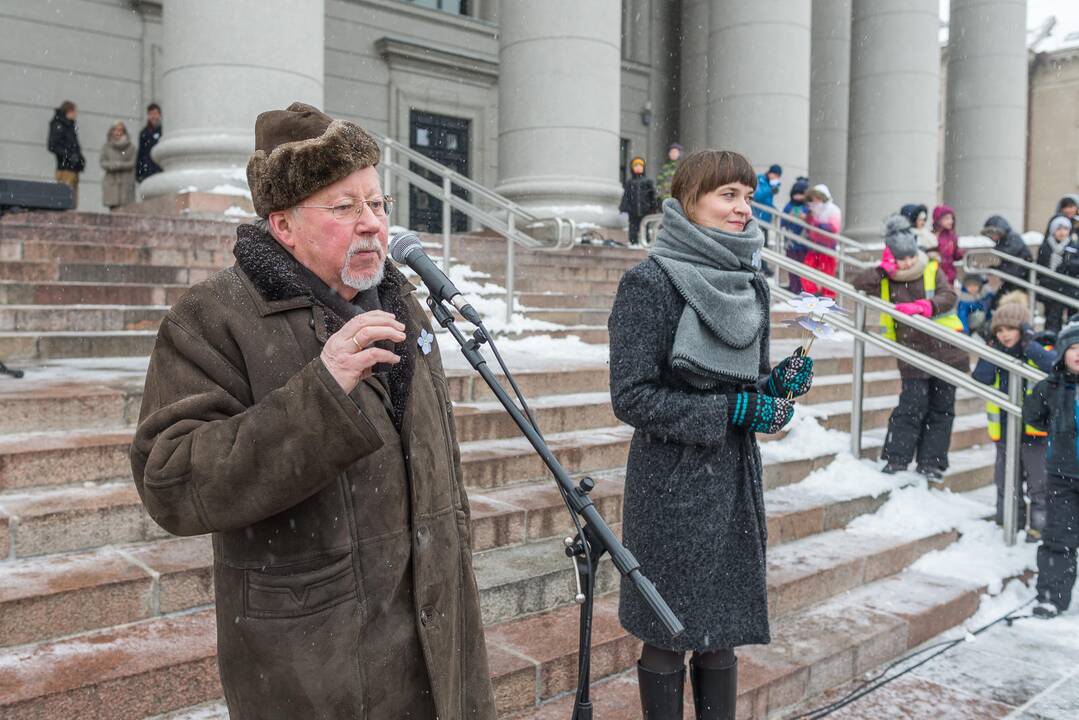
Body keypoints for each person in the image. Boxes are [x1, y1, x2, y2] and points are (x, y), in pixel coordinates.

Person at [129, 102, 495, 719]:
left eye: (377, 204)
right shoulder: (212, 319)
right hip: (313, 667)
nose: (372, 224)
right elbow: (172, 481)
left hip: (436, 652)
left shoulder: (404, 305)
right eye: (343, 207)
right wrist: (322, 390)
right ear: (283, 225)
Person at [609, 150, 808, 718]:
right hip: (670, 485)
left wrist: (776, 388)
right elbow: (633, 396)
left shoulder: (751, 284)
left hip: (733, 483)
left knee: (722, 632)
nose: (743, 207)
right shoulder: (650, 283)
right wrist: (732, 411)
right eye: (728, 195)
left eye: (747, 195)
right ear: (690, 200)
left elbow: (747, 387)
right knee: (668, 635)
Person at [853, 215, 968, 481]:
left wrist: (926, 306)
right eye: (900, 259)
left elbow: (949, 295)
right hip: (913, 353)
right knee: (911, 406)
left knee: (942, 408)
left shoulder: (931, 268)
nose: (906, 263)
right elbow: (859, 283)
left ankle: (932, 463)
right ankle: (896, 459)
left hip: (946, 350)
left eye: (909, 258)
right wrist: (883, 270)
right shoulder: (886, 277)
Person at [972, 292, 1055, 541]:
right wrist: (993, 349)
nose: (1004, 335)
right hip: (1006, 431)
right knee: (1006, 481)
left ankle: (1040, 528)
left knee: (1039, 484)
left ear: (1024, 328)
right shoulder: (998, 350)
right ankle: (1008, 521)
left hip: (1035, 434)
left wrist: (1030, 345)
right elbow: (982, 378)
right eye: (999, 330)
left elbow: (1053, 367)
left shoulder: (1040, 348)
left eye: (1010, 329)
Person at [1023, 321, 1079, 619]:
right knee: (1059, 536)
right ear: (1062, 353)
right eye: (1072, 347)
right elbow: (1033, 417)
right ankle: (1051, 596)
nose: (1078, 353)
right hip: (1063, 475)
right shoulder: (1052, 386)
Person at [1036, 216, 1079, 332]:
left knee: (1072, 319)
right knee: (1052, 319)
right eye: (1059, 229)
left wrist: (1068, 264)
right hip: (1050, 289)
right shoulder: (1046, 246)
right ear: (1053, 230)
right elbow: (1040, 265)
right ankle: (1050, 344)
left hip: (1069, 289)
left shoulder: (1073, 246)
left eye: (1065, 229)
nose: (1062, 232)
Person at [798, 184, 842, 298]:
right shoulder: (812, 210)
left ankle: (829, 297)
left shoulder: (834, 210)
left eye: (817, 198)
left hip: (828, 248)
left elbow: (834, 227)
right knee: (806, 270)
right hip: (814, 246)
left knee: (827, 274)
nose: (814, 201)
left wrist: (816, 224)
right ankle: (812, 293)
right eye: (813, 199)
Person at [980, 215, 1032, 309]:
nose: (992, 237)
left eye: (993, 233)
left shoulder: (1013, 239)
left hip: (1019, 279)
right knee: (997, 303)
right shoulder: (1003, 241)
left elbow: (1010, 258)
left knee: (1005, 304)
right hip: (1013, 279)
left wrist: (997, 268)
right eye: (990, 234)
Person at [46, 100, 84, 206]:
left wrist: (79, 159)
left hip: (72, 168)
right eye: (74, 111)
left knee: (73, 200)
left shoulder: (69, 125)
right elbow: (52, 146)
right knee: (65, 199)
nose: (76, 114)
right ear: (69, 111)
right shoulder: (59, 124)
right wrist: (69, 156)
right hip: (65, 169)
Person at [781, 176, 811, 293]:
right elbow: (782, 222)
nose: (798, 197)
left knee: (803, 268)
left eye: (801, 194)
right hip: (791, 243)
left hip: (804, 243)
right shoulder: (789, 207)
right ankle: (794, 287)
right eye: (796, 194)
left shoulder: (807, 207)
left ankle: (803, 288)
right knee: (792, 267)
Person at [620, 156, 659, 245]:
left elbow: (652, 196)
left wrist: (653, 207)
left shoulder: (648, 181)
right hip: (632, 210)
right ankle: (633, 242)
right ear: (632, 168)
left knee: (645, 226)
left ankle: (646, 241)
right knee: (633, 227)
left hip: (645, 209)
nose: (638, 168)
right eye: (636, 166)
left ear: (643, 168)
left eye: (640, 166)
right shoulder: (630, 182)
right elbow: (626, 196)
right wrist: (623, 208)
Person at [99, 121, 136, 210]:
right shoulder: (106, 147)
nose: (117, 132)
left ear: (124, 132)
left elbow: (132, 163)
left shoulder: (131, 147)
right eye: (115, 130)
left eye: (120, 130)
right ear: (111, 132)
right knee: (113, 209)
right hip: (112, 182)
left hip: (126, 182)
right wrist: (112, 165)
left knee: (127, 209)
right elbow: (102, 162)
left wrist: (120, 165)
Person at [931, 205, 963, 285]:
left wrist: (962, 253)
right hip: (933, 275)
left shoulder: (952, 237)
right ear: (938, 220)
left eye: (952, 218)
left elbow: (955, 256)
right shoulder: (931, 236)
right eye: (947, 219)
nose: (951, 221)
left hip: (949, 277)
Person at [957, 272, 994, 337]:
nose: (972, 288)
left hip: (985, 322)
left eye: (975, 285)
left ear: (979, 285)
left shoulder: (985, 294)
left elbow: (989, 306)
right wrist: (964, 330)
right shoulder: (964, 298)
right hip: (972, 322)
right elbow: (962, 314)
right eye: (969, 286)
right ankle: (965, 332)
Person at [137, 102, 163, 182]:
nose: (153, 116)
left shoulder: (164, 131)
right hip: (148, 170)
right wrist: (139, 172)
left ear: (159, 115)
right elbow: (141, 153)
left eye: (155, 113)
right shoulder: (144, 133)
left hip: (161, 168)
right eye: (151, 114)